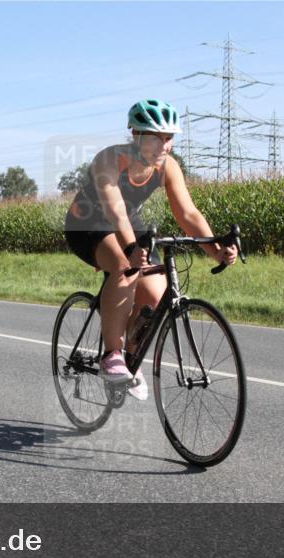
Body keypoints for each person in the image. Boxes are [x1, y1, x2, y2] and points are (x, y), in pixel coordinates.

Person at [64, 99, 237, 400]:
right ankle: (112, 356)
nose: (165, 146)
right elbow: (114, 209)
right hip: (88, 222)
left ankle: (132, 361)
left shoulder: (168, 167)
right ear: (136, 135)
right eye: (157, 138)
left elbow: (189, 215)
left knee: (156, 291)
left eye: (169, 139)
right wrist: (131, 248)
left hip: (128, 220)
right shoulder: (110, 160)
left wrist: (217, 249)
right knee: (124, 266)